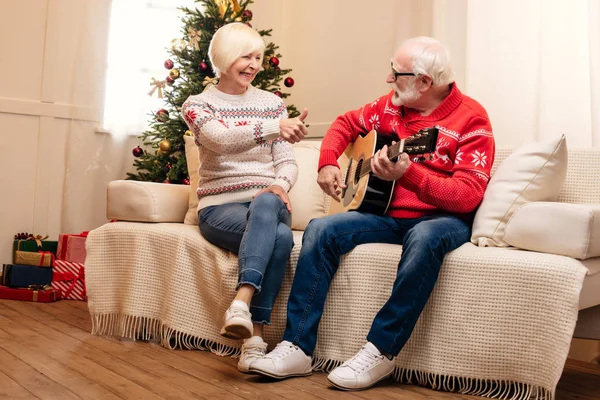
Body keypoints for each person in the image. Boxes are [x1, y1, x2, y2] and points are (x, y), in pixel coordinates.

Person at [249, 36, 495, 390]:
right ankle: (297, 347)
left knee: (424, 237)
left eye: (396, 73)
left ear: (425, 82)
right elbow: (344, 124)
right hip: (385, 215)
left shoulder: (472, 120)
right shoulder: (389, 107)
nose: (388, 79)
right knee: (320, 229)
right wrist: (328, 163)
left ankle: (381, 350)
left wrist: (409, 174)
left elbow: (468, 196)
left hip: (442, 219)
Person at [181, 22, 309, 373]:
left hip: (267, 202)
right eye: (245, 56)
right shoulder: (197, 105)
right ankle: (254, 340)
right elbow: (220, 139)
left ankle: (241, 301)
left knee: (267, 200)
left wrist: (281, 184)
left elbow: (286, 161)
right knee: (281, 238)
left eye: (258, 57)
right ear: (224, 58)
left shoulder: (271, 103)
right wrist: (273, 128)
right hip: (219, 208)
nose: (253, 64)